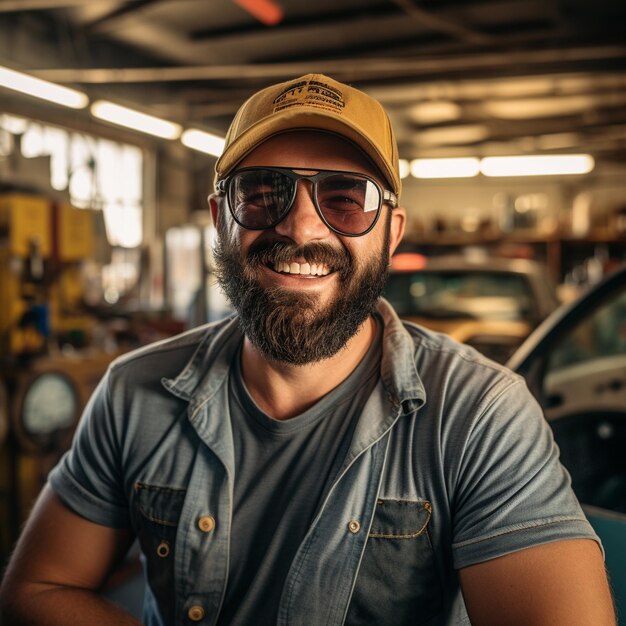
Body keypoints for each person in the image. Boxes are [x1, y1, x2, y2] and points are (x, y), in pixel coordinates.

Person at [0, 74, 616, 626]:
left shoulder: (479, 417)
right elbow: (37, 587)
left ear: (391, 233)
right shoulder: (134, 393)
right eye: (264, 193)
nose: (300, 227)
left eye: (346, 198)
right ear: (220, 218)